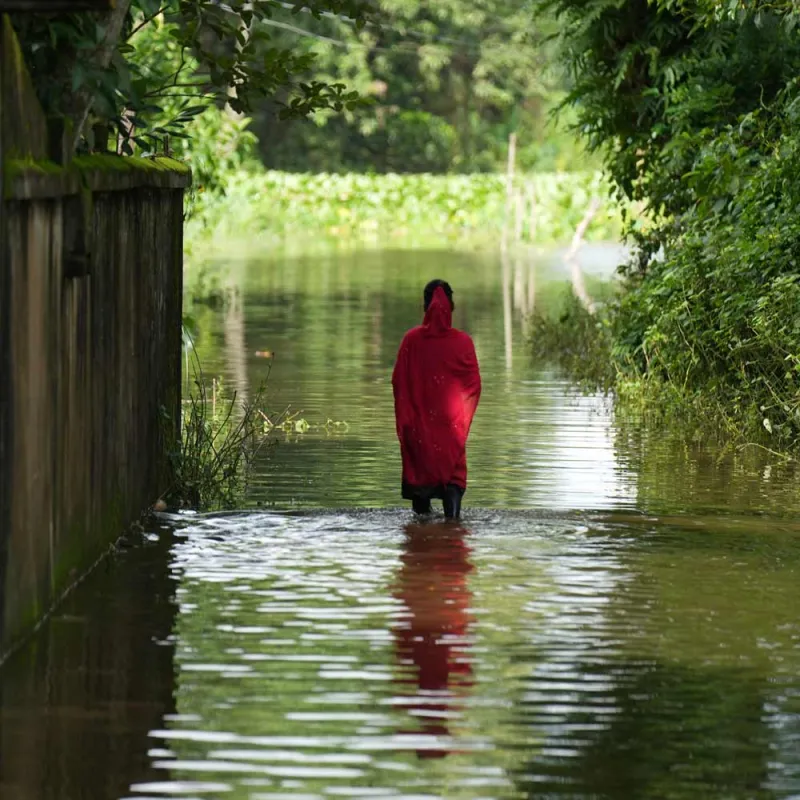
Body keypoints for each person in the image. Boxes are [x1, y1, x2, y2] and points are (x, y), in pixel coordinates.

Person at [391, 279, 481, 519]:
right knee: (453, 487)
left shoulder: (411, 340)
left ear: (425, 307)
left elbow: (399, 383)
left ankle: (423, 543)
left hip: (419, 433)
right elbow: (473, 387)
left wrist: (410, 422)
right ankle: (452, 529)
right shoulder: (463, 343)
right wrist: (457, 422)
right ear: (451, 307)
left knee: (420, 506)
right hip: (451, 433)